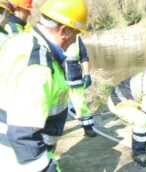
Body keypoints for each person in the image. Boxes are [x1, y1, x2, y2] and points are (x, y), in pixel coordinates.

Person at [0, 0, 88, 171]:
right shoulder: (39, 66)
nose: (74, 41)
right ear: (65, 31)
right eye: (76, 35)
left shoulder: (20, 41)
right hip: (18, 160)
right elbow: (23, 135)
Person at [65, 34, 96, 137]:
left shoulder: (76, 38)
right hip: (57, 79)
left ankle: (88, 128)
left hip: (75, 78)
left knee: (81, 104)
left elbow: (84, 57)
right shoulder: (50, 35)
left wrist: (87, 74)